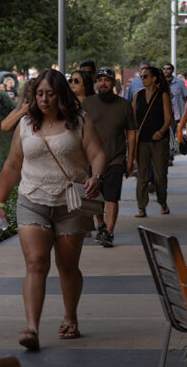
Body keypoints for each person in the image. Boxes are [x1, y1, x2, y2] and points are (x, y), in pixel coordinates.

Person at [0, 69, 107, 350]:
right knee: (36, 263)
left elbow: (97, 153)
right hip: (32, 199)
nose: (43, 99)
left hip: (71, 203)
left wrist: (96, 176)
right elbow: (12, 164)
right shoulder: (26, 124)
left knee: (67, 267)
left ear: (61, 95)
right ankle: (32, 327)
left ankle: (70, 317)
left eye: (50, 94)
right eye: (39, 94)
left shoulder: (79, 121)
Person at [81, 67, 137, 247]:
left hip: (115, 158)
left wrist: (130, 159)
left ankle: (109, 232)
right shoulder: (87, 104)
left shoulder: (124, 105)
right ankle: (101, 225)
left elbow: (131, 132)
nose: (103, 83)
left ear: (114, 82)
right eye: (100, 80)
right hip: (91, 159)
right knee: (94, 195)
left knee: (112, 196)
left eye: (107, 80)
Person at [132, 66, 173, 217]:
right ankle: (141, 207)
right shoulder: (138, 95)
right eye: (141, 76)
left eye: (145, 76)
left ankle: (163, 201)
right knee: (141, 175)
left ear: (154, 78)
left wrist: (161, 131)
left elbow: (168, 118)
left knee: (160, 174)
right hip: (142, 140)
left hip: (159, 140)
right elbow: (133, 117)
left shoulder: (163, 95)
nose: (142, 79)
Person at [162, 62, 187, 164]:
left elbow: (185, 98)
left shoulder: (179, 82)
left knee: (171, 135)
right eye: (164, 68)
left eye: (168, 68)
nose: (166, 70)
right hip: (162, 113)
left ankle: (169, 156)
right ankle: (166, 154)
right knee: (164, 135)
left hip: (175, 113)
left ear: (172, 70)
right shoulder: (159, 82)